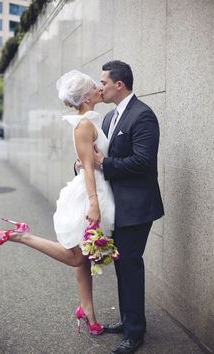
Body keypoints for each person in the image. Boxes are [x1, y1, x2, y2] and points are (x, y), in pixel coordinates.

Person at [0, 70, 115, 336]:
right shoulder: (84, 124)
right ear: (85, 97)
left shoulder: (90, 120)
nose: (99, 88)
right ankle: (24, 237)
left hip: (96, 189)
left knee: (82, 258)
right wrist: (93, 203)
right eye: (95, 86)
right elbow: (86, 165)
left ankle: (88, 311)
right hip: (90, 193)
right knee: (75, 257)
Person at [93, 61, 164, 354]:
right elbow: (100, 156)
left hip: (137, 208)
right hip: (117, 207)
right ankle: (129, 320)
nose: (100, 87)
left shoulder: (143, 116)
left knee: (130, 266)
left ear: (119, 85)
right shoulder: (109, 118)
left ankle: (135, 333)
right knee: (123, 265)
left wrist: (103, 164)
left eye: (103, 83)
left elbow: (143, 162)